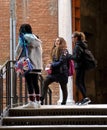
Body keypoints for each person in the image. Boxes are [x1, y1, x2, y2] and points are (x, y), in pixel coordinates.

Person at [15, 24, 43, 108]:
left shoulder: (23, 37)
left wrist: (16, 58)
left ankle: (31, 102)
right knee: (35, 83)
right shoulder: (36, 38)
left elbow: (18, 50)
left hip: (28, 64)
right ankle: (38, 102)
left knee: (29, 82)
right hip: (37, 65)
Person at [40, 37, 69, 105]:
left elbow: (61, 62)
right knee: (46, 81)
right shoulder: (54, 50)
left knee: (63, 87)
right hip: (54, 72)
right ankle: (42, 98)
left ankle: (64, 102)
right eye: (55, 41)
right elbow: (55, 61)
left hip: (62, 72)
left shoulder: (64, 51)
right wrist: (50, 64)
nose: (56, 42)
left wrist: (51, 65)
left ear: (61, 42)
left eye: (58, 41)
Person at [69, 31, 91, 105]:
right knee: (81, 82)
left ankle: (85, 98)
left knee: (78, 82)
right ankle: (85, 98)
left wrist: (69, 56)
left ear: (76, 38)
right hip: (82, 66)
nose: (72, 39)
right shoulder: (81, 45)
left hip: (79, 66)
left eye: (72, 37)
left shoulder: (77, 46)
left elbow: (76, 58)